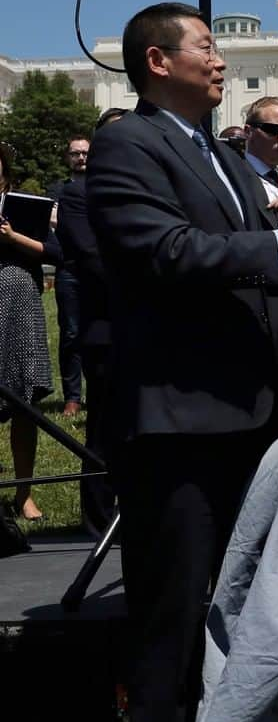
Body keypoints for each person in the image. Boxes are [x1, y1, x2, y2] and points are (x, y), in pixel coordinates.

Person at [86, 2, 278, 722]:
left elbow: (260, 243)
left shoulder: (227, 158)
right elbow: (164, 252)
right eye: (206, 46)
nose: (222, 57)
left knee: (250, 592)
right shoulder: (128, 145)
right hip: (180, 420)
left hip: (252, 412)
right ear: (158, 62)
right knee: (176, 597)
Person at [57, 109, 127, 537]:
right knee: (104, 429)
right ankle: (99, 518)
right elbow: (92, 257)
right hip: (108, 325)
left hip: (150, 327)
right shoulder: (79, 194)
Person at [1, 142, 61, 522]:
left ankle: (24, 492)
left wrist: (11, 238)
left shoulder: (26, 204)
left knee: (24, 401)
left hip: (18, 298)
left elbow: (53, 252)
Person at [46, 135, 91, 418]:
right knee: (72, 333)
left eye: (85, 153)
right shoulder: (57, 189)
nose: (81, 158)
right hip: (69, 269)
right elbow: (52, 218)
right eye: (75, 154)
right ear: (68, 158)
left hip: (101, 270)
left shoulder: (103, 187)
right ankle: (73, 397)